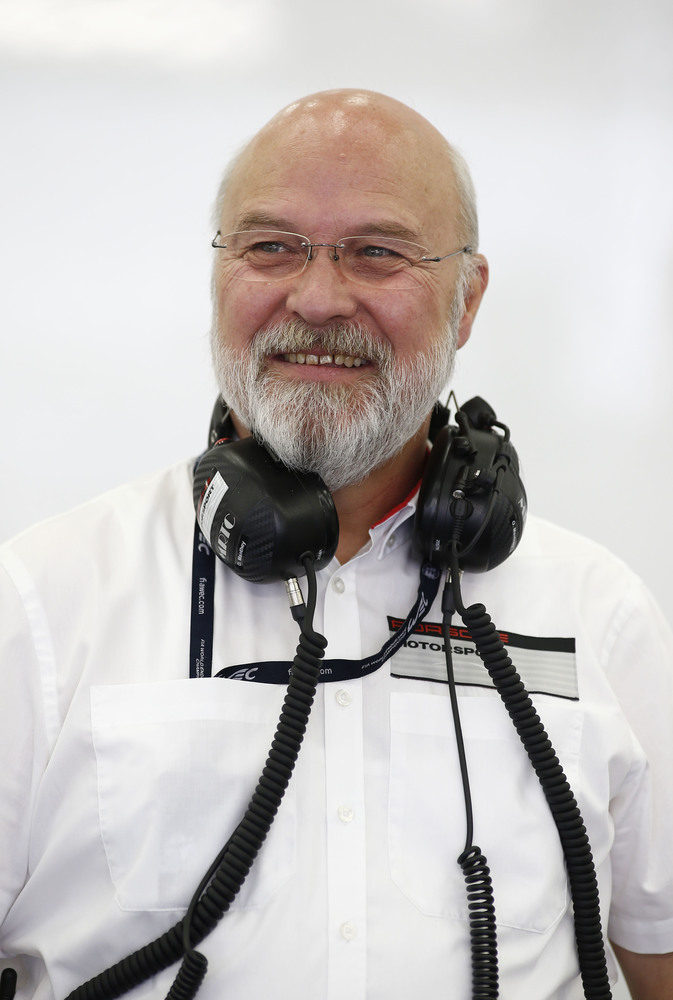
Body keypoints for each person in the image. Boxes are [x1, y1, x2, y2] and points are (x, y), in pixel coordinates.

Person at [1, 89, 672, 1000]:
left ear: (467, 299)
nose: (317, 299)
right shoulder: (40, 601)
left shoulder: (601, 614)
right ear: (219, 274)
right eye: (271, 246)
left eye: (376, 252)